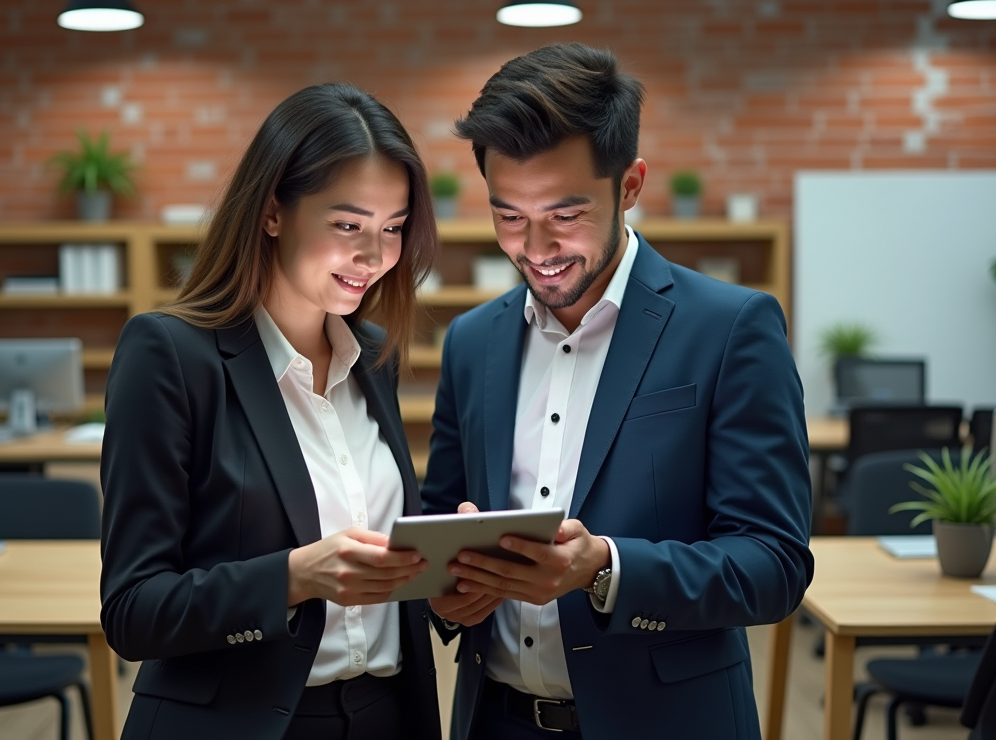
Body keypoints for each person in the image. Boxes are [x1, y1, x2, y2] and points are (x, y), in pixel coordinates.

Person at [421, 43, 814, 739]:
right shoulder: (472, 340)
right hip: (496, 721)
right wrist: (444, 597)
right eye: (509, 217)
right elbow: (440, 522)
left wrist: (605, 569)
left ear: (629, 186)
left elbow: (773, 565)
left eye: (565, 216)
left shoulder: (731, 328)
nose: (535, 248)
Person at [100, 82, 442, 740]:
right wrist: (292, 578)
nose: (374, 257)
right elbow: (133, 610)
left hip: (384, 714)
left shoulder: (373, 357)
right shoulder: (169, 354)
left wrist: (449, 571)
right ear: (272, 212)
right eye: (347, 225)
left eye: (393, 229)